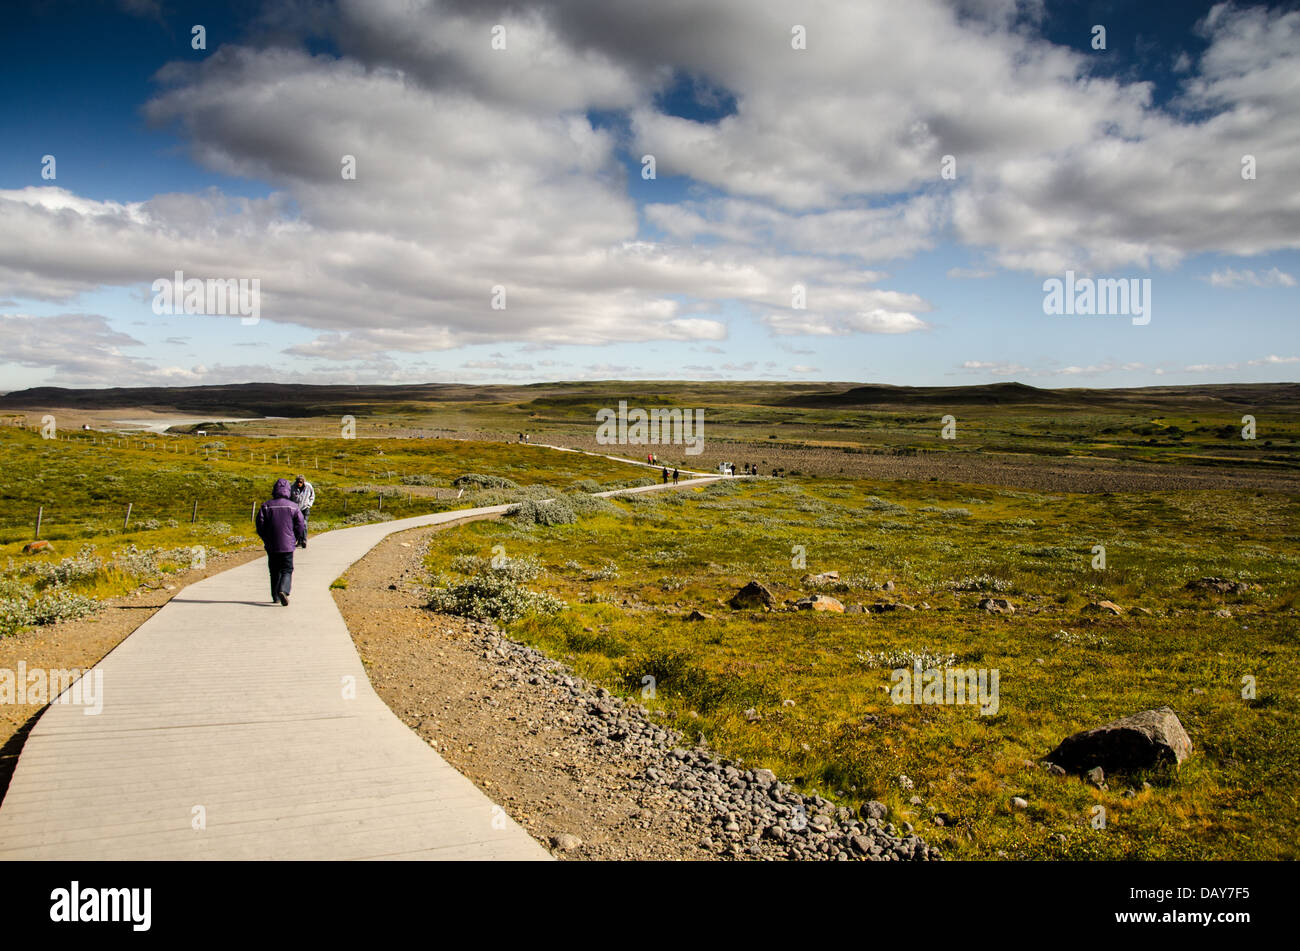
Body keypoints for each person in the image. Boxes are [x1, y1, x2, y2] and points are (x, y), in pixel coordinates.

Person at [256, 478, 306, 606]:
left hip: (272, 544)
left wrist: (266, 538)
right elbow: (300, 525)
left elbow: (260, 525)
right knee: (287, 569)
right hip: (287, 545)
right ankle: (283, 590)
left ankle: (275, 596)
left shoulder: (266, 506)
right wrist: (295, 537)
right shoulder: (293, 507)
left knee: (274, 570)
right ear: (288, 490)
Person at [290, 474, 315, 548]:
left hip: (305, 508)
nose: (299, 483)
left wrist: (309, 504)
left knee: (304, 523)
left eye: (300, 482)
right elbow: (290, 498)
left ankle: (304, 540)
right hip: (296, 509)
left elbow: (312, 496)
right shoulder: (292, 487)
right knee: (297, 525)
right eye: (298, 482)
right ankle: (299, 541)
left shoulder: (308, 486)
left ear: (303, 481)